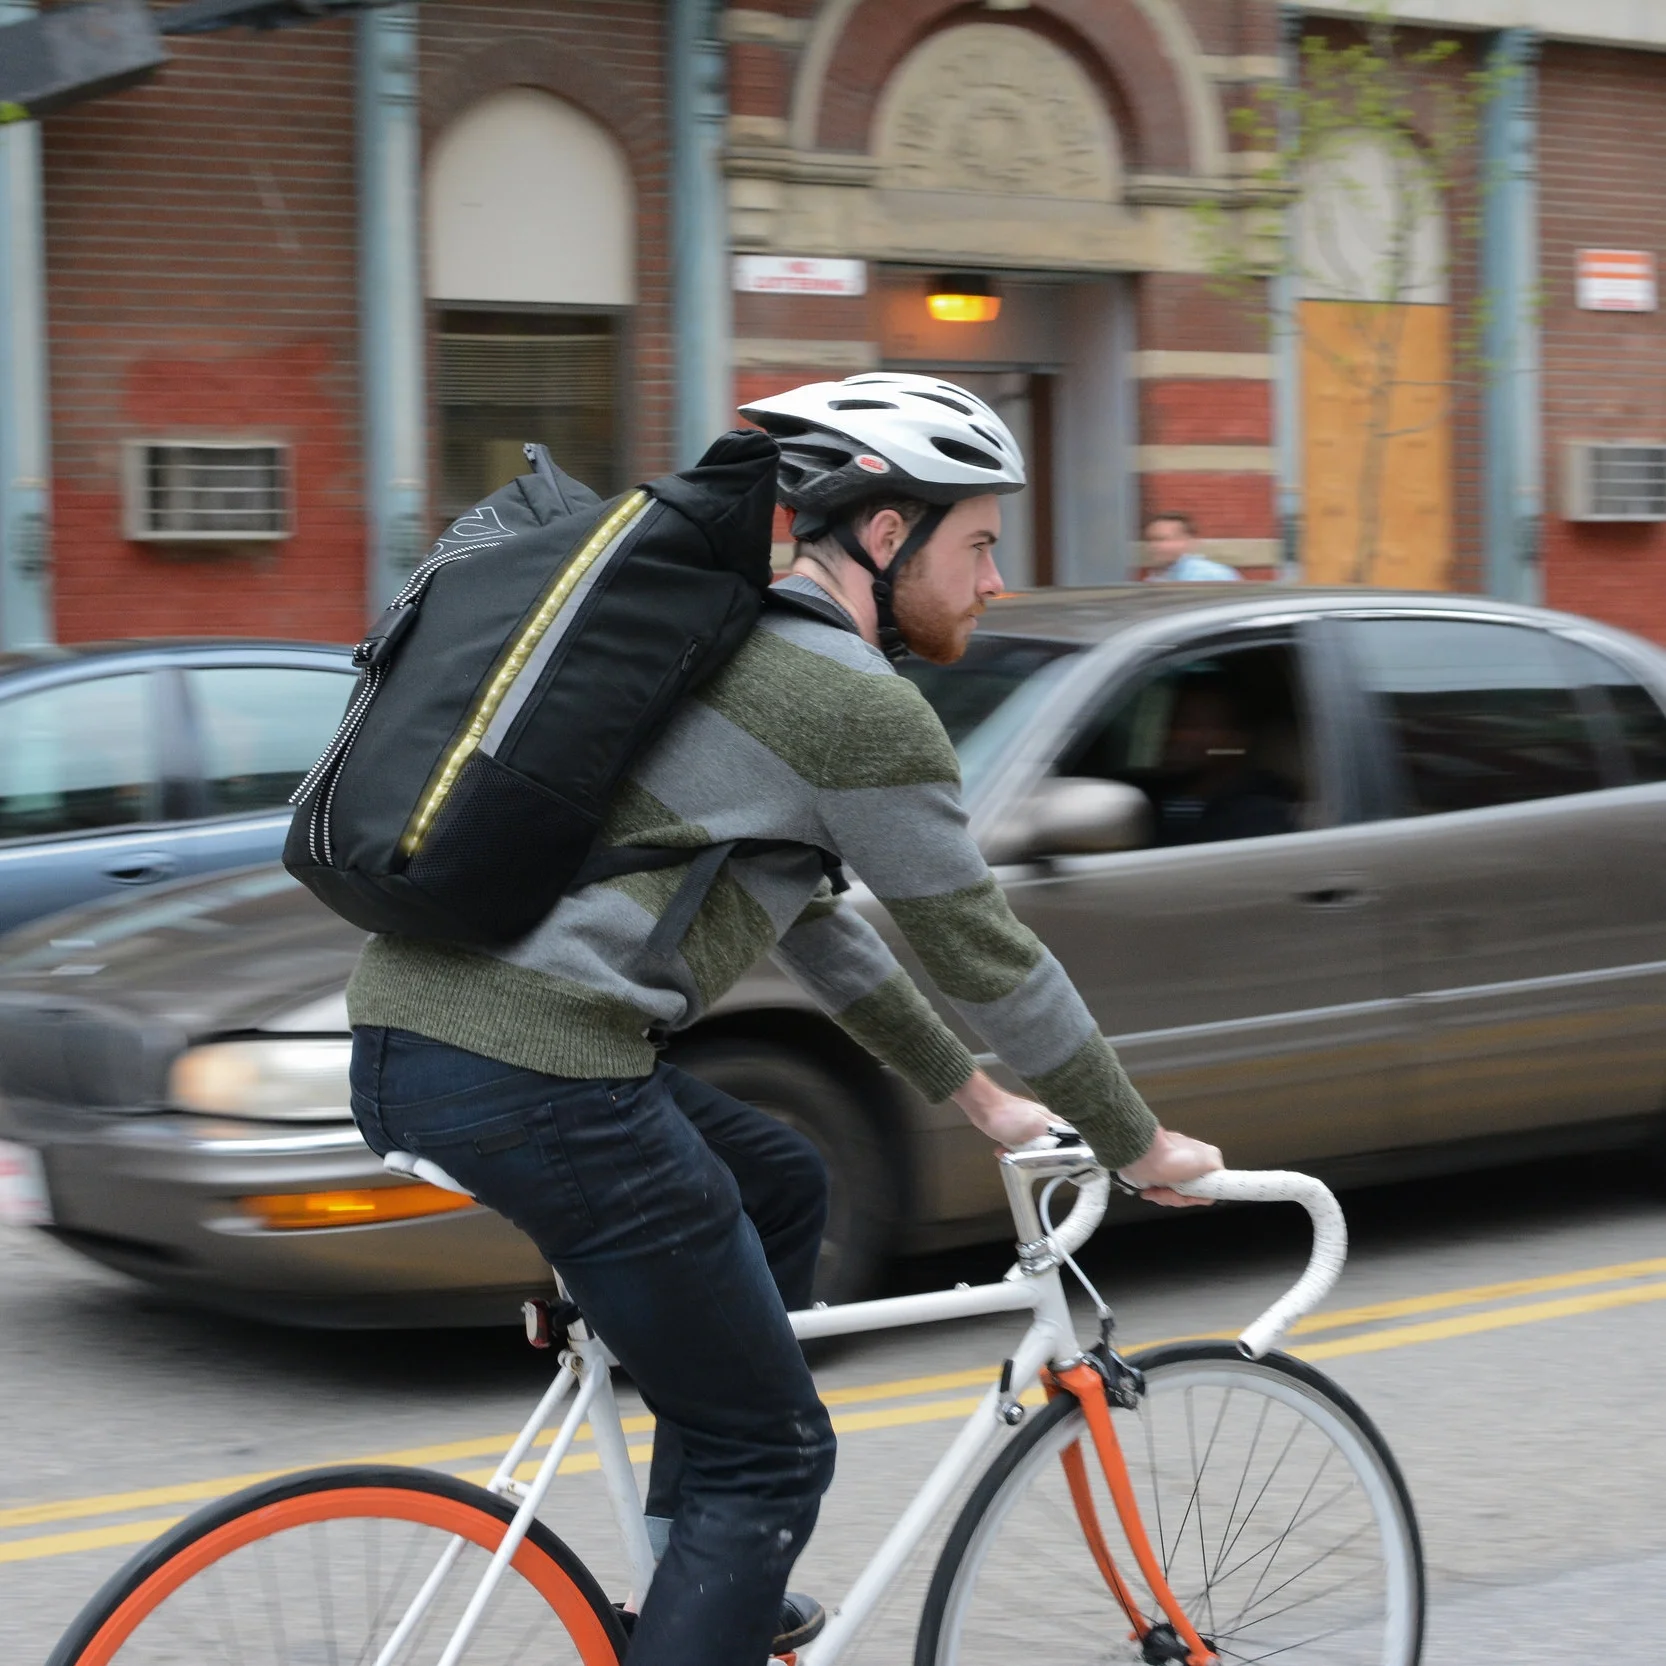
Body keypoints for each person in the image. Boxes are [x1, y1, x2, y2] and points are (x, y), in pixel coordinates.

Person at [345, 371, 1224, 1666]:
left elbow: (812, 925)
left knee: (779, 1181)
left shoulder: (733, 645)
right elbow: (983, 949)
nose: (995, 583)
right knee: (773, 1454)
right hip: (540, 1072)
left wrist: (979, 1099)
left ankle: (693, 1589)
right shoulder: (849, 700)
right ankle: (707, 1591)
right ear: (887, 533)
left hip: (411, 1039)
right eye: (979, 545)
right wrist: (1134, 1139)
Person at [1151, 675, 1297, 845]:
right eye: (1175, 722)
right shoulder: (1163, 798)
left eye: (1196, 726)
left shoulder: (1256, 817)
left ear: (1236, 739)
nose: (1178, 736)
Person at [1142, 511, 1241, 582]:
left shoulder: (1213, 574)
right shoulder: (1156, 578)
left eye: (1162, 539)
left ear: (1187, 541)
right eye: (1151, 540)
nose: (1154, 546)